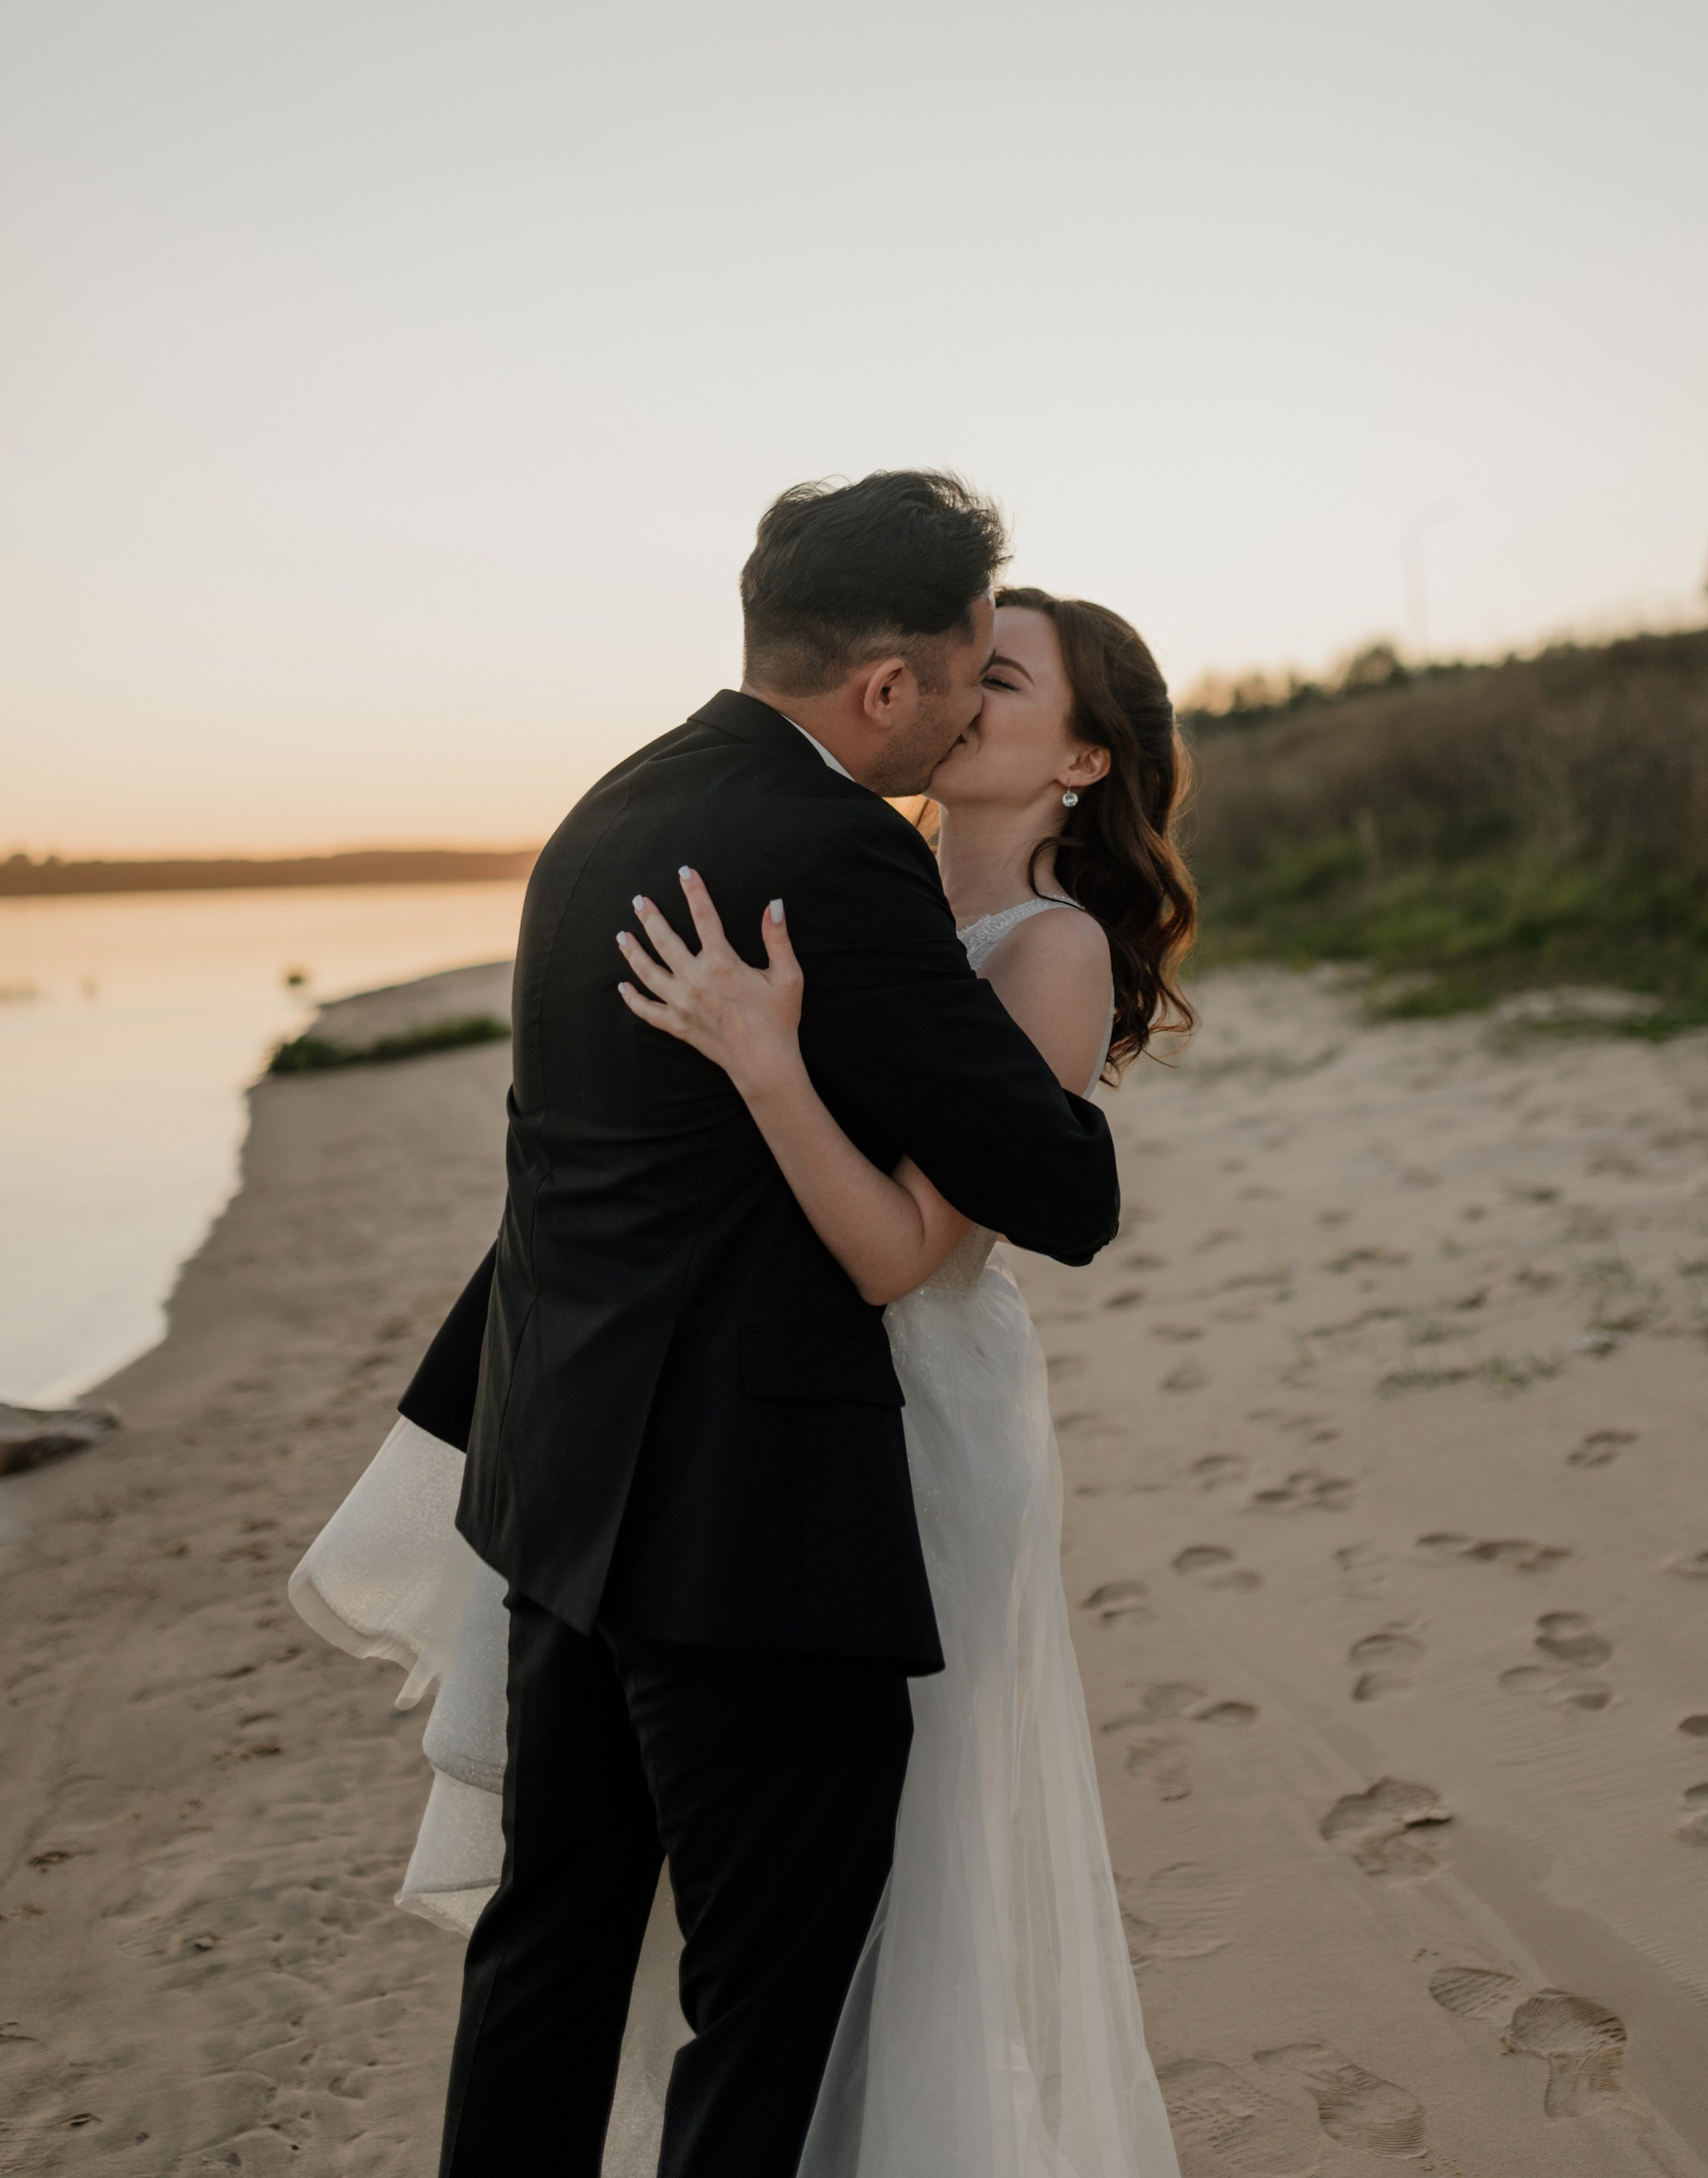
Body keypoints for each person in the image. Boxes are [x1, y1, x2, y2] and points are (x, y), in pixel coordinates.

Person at [291, 474, 1122, 2178]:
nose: (968, 709)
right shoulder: (832, 853)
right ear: (884, 686)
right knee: (765, 1998)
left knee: (551, 1942)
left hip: (561, 1493)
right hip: (751, 1530)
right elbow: (1058, 1181)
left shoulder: (604, 811)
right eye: (966, 670)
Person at [618, 585, 1195, 2176]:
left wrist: (762, 1059)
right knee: (775, 1877)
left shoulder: (1053, 951)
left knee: (901, 1868)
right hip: (775, 1411)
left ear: (1080, 759)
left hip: (927, 1416)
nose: (954, 687)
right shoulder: (863, 887)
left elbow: (904, 1256)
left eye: (997, 675)